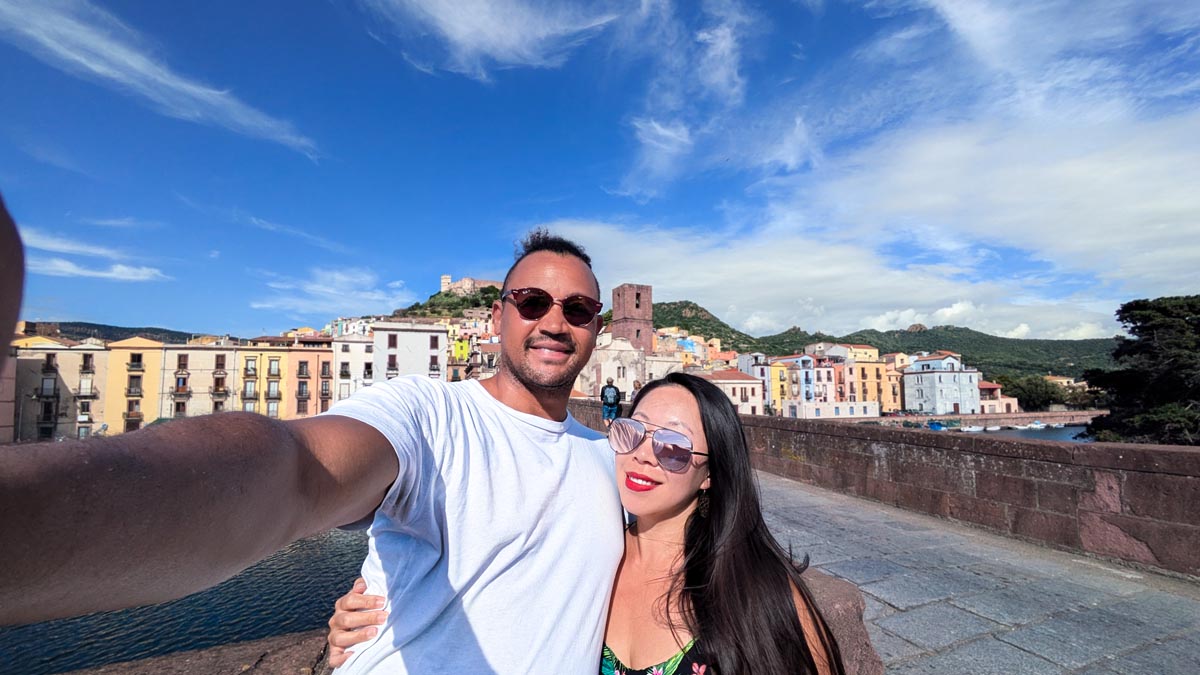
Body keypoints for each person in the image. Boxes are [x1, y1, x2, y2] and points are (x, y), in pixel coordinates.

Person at [0, 230, 628, 673]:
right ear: (496, 318)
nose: (554, 321)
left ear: (597, 329)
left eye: (577, 309)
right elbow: (295, 470)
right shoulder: (429, 413)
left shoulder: (612, 462)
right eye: (532, 302)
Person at [329, 373, 886, 674]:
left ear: (712, 473)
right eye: (634, 431)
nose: (645, 454)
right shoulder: (595, 548)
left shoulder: (761, 591)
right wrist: (382, 610)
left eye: (673, 447)